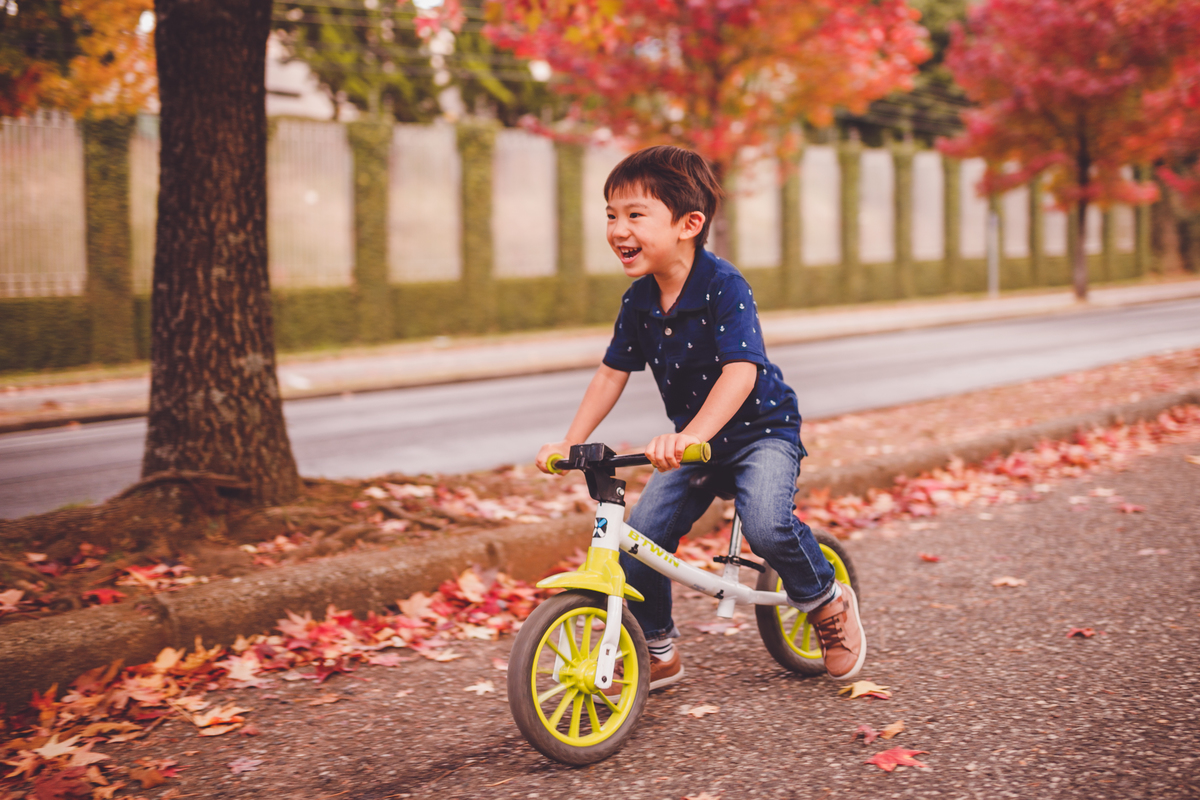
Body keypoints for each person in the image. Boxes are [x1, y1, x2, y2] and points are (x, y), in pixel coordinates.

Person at [536, 145, 865, 689]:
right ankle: (658, 647)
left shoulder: (723, 285)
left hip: (760, 432)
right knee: (640, 536)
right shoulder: (638, 302)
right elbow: (610, 374)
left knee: (766, 525)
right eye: (611, 215)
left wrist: (690, 434)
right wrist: (570, 443)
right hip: (694, 445)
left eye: (635, 215)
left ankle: (828, 601)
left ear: (689, 224)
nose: (619, 229)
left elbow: (740, 372)